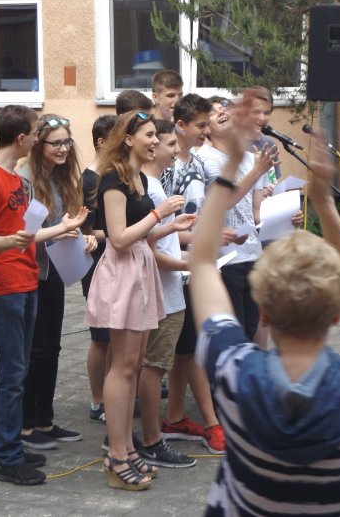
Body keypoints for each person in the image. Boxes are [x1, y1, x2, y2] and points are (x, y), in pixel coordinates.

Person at [189, 90, 340, 515]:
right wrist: (324, 202)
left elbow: (202, 263)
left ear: (263, 312)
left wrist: (230, 165)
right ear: (337, 315)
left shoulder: (234, 372)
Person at [0, 105, 87, 486]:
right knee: (12, 375)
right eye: (36, 133)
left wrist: (64, 228)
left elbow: (30, 234)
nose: (39, 139)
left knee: (17, 372)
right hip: (3, 288)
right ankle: (8, 457)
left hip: (25, 282)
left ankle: (4, 448)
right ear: (21, 139)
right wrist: (13, 240)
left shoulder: (12, 178)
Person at [84, 110, 184, 491]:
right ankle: (116, 455)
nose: (155, 141)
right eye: (149, 135)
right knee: (123, 366)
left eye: (156, 136)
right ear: (128, 139)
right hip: (123, 274)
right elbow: (120, 238)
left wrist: (170, 226)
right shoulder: (113, 180)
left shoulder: (137, 177)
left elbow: (140, 234)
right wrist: (160, 213)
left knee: (134, 363)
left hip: (139, 269)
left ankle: (126, 448)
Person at [16, 114, 96, 449]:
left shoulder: (62, 176)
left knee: (52, 348)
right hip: (29, 274)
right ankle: (25, 426)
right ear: (38, 144)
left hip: (55, 270)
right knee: (36, 349)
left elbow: (69, 221)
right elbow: (20, 234)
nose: (63, 149)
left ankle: (45, 421)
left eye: (67, 142)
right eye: (56, 143)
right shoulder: (24, 178)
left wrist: (84, 236)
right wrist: (60, 231)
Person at [160, 94, 227, 454]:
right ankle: (211, 422)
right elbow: (164, 228)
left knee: (187, 348)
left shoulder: (198, 164)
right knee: (188, 347)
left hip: (197, 264)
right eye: (201, 125)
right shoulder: (165, 168)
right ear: (181, 125)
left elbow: (200, 214)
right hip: (176, 267)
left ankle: (174, 417)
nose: (206, 130)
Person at [137, 119, 198, 468]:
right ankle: (151, 439)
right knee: (154, 366)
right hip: (163, 291)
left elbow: (162, 239)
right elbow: (148, 246)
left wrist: (186, 253)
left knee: (153, 364)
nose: (177, 149)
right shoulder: (151, 189)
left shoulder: (156, 185)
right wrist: (185, 265)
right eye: (171, 144)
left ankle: (145, 436)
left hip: (169, 286)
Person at [199, 97, 276, 345]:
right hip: (225, 257)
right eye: (214, 112)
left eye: (225, 109)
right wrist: (257, 171)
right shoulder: (205, 158)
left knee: (252, 328)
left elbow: (256, 212)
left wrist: (284, 215)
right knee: (233, 331)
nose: (222, 113)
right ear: (205, 128)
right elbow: (224, 201)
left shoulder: (252, 158)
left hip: (252, 253)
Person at [81, 114, 117, 424]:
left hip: (116, 261)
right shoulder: (90, 179)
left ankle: (114, 393)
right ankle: (98, 400)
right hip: (96, 264)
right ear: (102, 142)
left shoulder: (113, 176)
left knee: (115, 335)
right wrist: (121, 232)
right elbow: (86, 231)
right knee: (101, 337)